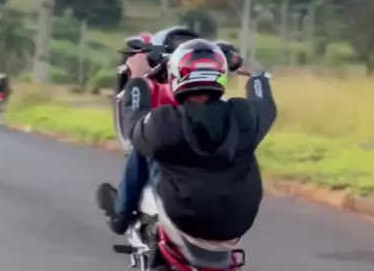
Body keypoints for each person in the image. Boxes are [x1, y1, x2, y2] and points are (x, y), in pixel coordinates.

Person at [97, 38, 276, 243]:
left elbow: (132, 123)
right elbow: (264, 103)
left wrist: (137, 78)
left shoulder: (163, 123)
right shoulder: (244, 116)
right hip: (236, 222)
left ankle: (121, 215)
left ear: (176, 76)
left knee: (144, 145)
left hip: (185, 218)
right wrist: (257, 75)